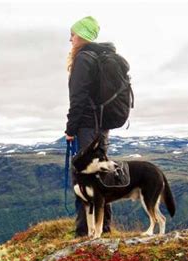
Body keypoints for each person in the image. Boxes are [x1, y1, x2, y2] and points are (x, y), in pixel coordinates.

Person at [65, 16, 114, 237]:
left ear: (82, 35)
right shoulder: (98, 57)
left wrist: (70, 128)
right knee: (100, 176)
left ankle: (84, 231)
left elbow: (78, 98)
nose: (70, 39)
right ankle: (102, 227)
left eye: (73, 34)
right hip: (101, 126)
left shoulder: (83, 59)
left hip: (86, 126)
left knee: (84, 177)